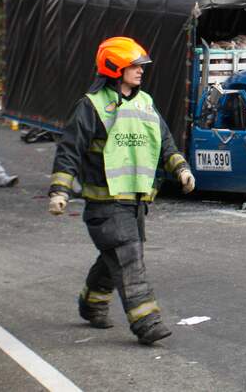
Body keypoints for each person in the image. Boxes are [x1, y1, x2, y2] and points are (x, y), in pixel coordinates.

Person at [47, 37, 195, 345]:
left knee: (115, 255)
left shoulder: (145, 102)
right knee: (129, 258)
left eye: (141, 66)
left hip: (136, 200)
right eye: (135, 66)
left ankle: (92, 303)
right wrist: (59, 190)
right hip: (105, 202)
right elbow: (70, 150)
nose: (141, 71)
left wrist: (181, 169)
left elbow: (164, 141)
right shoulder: (92, 105)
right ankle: (147, 323)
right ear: (115, 68)